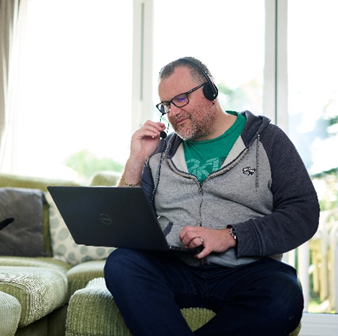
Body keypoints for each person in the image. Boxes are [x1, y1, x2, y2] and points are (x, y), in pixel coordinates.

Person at [104, 56, 320, 336]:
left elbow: (302, 212)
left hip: (247, 271)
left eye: (180, 99)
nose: (172, 112)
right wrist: (136, 160)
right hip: (176, 268)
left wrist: (230, 236)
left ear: (211, 91)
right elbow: (123, 229)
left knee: (284, 293)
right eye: (166, 105)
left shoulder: (267, 140)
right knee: (122, 263)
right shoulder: (159, 153)